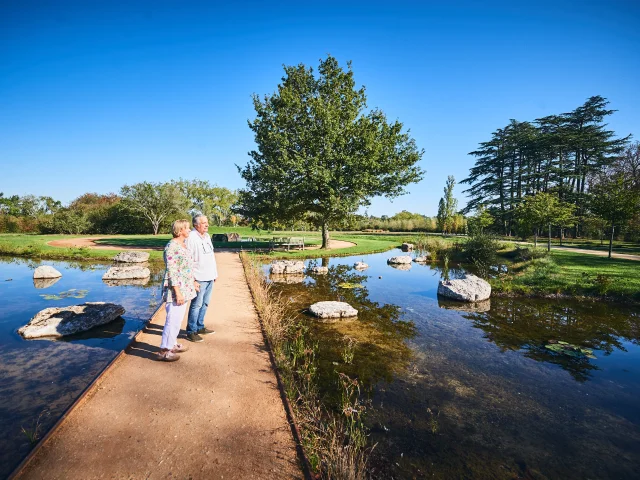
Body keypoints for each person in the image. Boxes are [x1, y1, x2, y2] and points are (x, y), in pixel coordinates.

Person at [158, 219, 200, 361]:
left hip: (185, 287)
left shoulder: (183, 245)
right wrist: (177, 292)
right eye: (187, 228)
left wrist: (193, 281)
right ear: (180, 230)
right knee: (172, 320)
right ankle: (164, 351)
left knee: (177, 319)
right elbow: (172, 272)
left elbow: (186, 267)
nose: (189, 230)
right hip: (176, 290)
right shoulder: (172, 247)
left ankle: (172, 344)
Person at [184, 214, 218, 342]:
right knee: (196, 304)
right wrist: (192, 280)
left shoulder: (207, 236)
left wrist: (215, 274)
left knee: (205, 303)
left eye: (207, 222)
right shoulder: (191, 238)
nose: (207, 225)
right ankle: (191, 331)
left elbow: (211, 256)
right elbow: (188, 260)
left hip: (210, 276)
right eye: (204, 223)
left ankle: (200, 326)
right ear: (196, 225)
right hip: (199, 277)